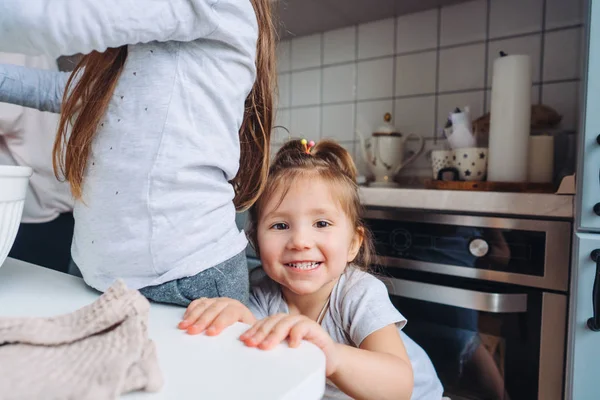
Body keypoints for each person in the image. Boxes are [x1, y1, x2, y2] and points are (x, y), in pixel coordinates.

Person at [0, 0, 276, 305]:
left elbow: (60, 17)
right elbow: (62, 92)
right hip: (94, 272)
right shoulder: (134, 50)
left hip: (188, 278)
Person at [179, 139, 444, 400]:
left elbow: (398, 387)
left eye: (321, 223)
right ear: (256, 243)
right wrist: (236, 318)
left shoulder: (359, 293)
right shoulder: (261, 290)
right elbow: (259, 353)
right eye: (280, 226)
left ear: (353, 244)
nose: (300, 242)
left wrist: (332, 355)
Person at [0, 52, 74, 273]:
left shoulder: (9, 36)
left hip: (37, 207)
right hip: (37, 201)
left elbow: (7, 114)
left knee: (30, 295)